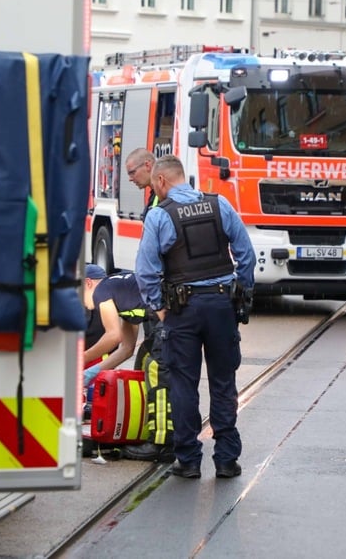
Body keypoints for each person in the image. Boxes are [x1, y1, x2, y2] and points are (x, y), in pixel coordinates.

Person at [135, 155, 256, 479]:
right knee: (223, 382)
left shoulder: (160, 215)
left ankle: (188, 460)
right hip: (220, 306)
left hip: (181, 310)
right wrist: (241, 293)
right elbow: (246, 255)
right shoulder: (220, 205)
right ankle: (227, 460)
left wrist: (159, 307)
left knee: (183, 384)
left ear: (160, 181)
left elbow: (146, 271)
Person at [121, 147, 175, 463]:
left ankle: (160, 442)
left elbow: (154, 259)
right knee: (158, 363)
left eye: (132, 173)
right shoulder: (157, 198)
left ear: (148, 166)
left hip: (162, 299)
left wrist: (155, 302)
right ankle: (171, 435)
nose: (130, 179)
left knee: (158, 367)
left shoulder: (160, 202)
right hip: (169, 297)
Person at [81, 264, 149, 387]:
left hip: (171, 315)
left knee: (150, 365)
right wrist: (92, 372)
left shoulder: (100, 291)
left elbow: (113, 336)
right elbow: (127, 349)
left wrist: (82, 358)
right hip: (170, 315)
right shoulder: (123, 295)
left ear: (88, 283)